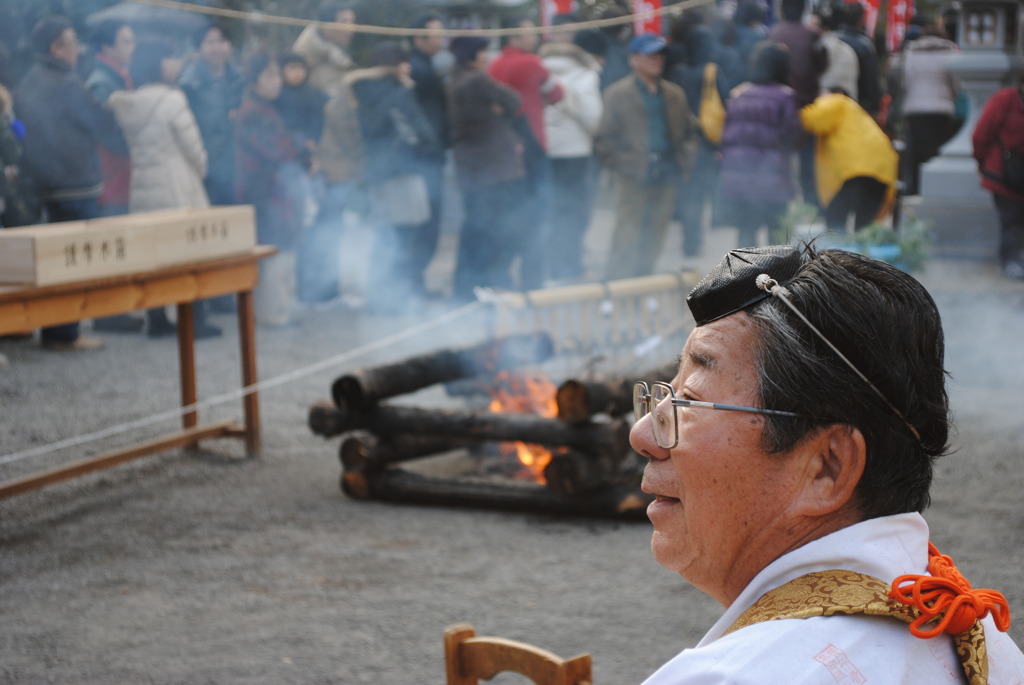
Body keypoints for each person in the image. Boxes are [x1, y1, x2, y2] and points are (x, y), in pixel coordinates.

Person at [633, 243, 1024, 683]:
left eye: (692, 401)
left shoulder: (738, 677)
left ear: (827, 467)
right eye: (667, 394)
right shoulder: (989, 645)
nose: (643, 434)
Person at [16, 15, 118, 351]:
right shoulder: (67, 82)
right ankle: (65, 333)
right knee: (71, 261)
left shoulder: (30, 80)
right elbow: (98, 121)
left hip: (43, 183)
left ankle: (54, 328)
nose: (77, 49)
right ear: (56, 48)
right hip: (75, 183)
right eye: (72, 42)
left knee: (52, 261)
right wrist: (113, 109)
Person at [109, 39, 221, 339]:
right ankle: (195, 320)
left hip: (143, 183)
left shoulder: (130, 103)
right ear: (160, 64)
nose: (175, 64)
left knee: (152, 254)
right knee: (190, 251)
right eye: (170, 59)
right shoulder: (172, 100)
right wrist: (202, 171)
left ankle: (156, 318)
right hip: (176, 183)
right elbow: (194, 148)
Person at [595, 33, 696, 280]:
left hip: (666, 171)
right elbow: (604, 138)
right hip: (631, 173)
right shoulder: (617, 94)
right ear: (633, 59)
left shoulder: (674, 94)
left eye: (659, 54)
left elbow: (690, 131)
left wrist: (686, 159)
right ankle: (617, 286)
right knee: (626, 234)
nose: (656, 60)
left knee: (656, 232)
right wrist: (621, 163)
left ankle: (644, 283)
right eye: (649, 55)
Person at [349, 41, 438, 315]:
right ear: (394, 65)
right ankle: (396, 298)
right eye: (404, 61)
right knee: (404, 237)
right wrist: (426, 145)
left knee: (384, 236)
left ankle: (379, 295)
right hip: (401, 172)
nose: (408, 67)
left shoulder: (361, 91)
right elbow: (420, 134)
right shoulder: (398, 92)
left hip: (376, 173)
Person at [447, 35, 526, 300]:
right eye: (483, 52)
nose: (487, 57)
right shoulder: (476, 81)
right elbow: (514, 100)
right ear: (473, 56)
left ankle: (467, 287)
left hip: (473, 168)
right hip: (490, 168)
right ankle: (484, 284)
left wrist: (497, 109)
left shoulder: (456, 79)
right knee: (490, 231)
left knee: (475, 229)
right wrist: (499, 108)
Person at [489, 16, 564, 290]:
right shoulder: (532, 63)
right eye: (529, 33)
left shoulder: (493, 65)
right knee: (538, 219)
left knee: (509, 219)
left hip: (505, 153)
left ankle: (502, 280)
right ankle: (533, 282)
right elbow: (557, 93)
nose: (535, 38)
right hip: (533, 149)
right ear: (513, 37)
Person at [235, 52, 306, 327]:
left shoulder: (267, 107)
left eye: (277, 75)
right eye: (269, 76)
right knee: (273, 251)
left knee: (282, 248)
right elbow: (278, 150)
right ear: (254, 81)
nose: (276, 82)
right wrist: (300, 150)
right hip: (264, 190)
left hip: (276, 189)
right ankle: (271, 313)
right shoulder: (254, 110)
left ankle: (281, 307)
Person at [179, 21, 244, 315]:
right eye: (209, 42)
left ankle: (223, 292)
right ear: (198, 48)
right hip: (204, 166)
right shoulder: (189, 83)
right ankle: (206, 293)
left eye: (221, 41)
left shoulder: (238, 79)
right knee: (206, 232)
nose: (217, 48)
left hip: (234, 163)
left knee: (229, 230)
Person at [718, 42, 802, 247]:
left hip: (740, 179)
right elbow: (793, 136)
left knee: (746, 236)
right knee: (777, 239)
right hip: (773, 180)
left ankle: (745, 277)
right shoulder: (785, 96)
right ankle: (775, 278)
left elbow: (726, 134)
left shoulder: (739, 94)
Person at [539, 26, 603, 284]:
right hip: (575, 152)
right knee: (575, 212)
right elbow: (593, 117)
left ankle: (549, 266)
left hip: (544, 149)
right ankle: (569, 267)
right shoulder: (585, 73)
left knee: (549, 210)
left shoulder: (539, 68)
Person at [667, 23, 728, 258]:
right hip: (705, 140)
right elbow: (724, 101)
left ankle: (689, 240)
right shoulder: (713, 70)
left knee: (687, 192)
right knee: (702, 191)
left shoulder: (678, 71)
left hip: (683, 140)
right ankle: (701, 234)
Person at [800, 89, 897, 232]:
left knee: (835, 219)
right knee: (865, 229)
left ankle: (836, 251)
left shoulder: (836, 101)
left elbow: (809, 119)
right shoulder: (855, 113)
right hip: (883, 170)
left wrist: (789, 109)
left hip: (859, 170)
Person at [890, 15, 959, 196]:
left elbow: (904, 82)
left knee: (917, 154)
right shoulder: (950, 53)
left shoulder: (910, 53)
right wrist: (950, 98)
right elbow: (956, 84)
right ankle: (937, 191)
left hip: (915, 110)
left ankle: (916, 191)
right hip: (942, 110)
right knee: (938, 152)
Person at [768, 0, 828, 209]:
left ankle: (779, 204)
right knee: (808, 159)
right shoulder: (813, 34)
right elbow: (823, 64)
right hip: (806, 105)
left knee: (778, 155)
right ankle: (811, 205)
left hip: (776, 105)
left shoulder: (773, 33)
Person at [406, 13, 449, 299]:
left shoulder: (427, 66)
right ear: (418, 38)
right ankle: (410, 285)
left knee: (427, 223)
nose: (440, 40)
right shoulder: (416, 70)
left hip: (431, 154)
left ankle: (414, 283)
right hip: (423, 158)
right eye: (435, 35)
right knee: (424, 224)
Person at [972, 72, 1024, 280]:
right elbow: (981, 134)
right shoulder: (1006, 99)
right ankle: (1010, 261)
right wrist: (982, 162)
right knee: (1011, 219)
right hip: (1004, 172)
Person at [291, 2, 356, 97]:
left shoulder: (326, 37)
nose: (351, 29)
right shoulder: (317, 43)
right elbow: (345, 64)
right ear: (327, 25)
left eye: (352, 22)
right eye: (344, 22)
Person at [835, 1, 883, 119]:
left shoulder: (832, 39)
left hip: (832, 99)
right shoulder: (865, 45)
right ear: (861, 19)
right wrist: (875, 107)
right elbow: (871, 79)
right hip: (858, 101)